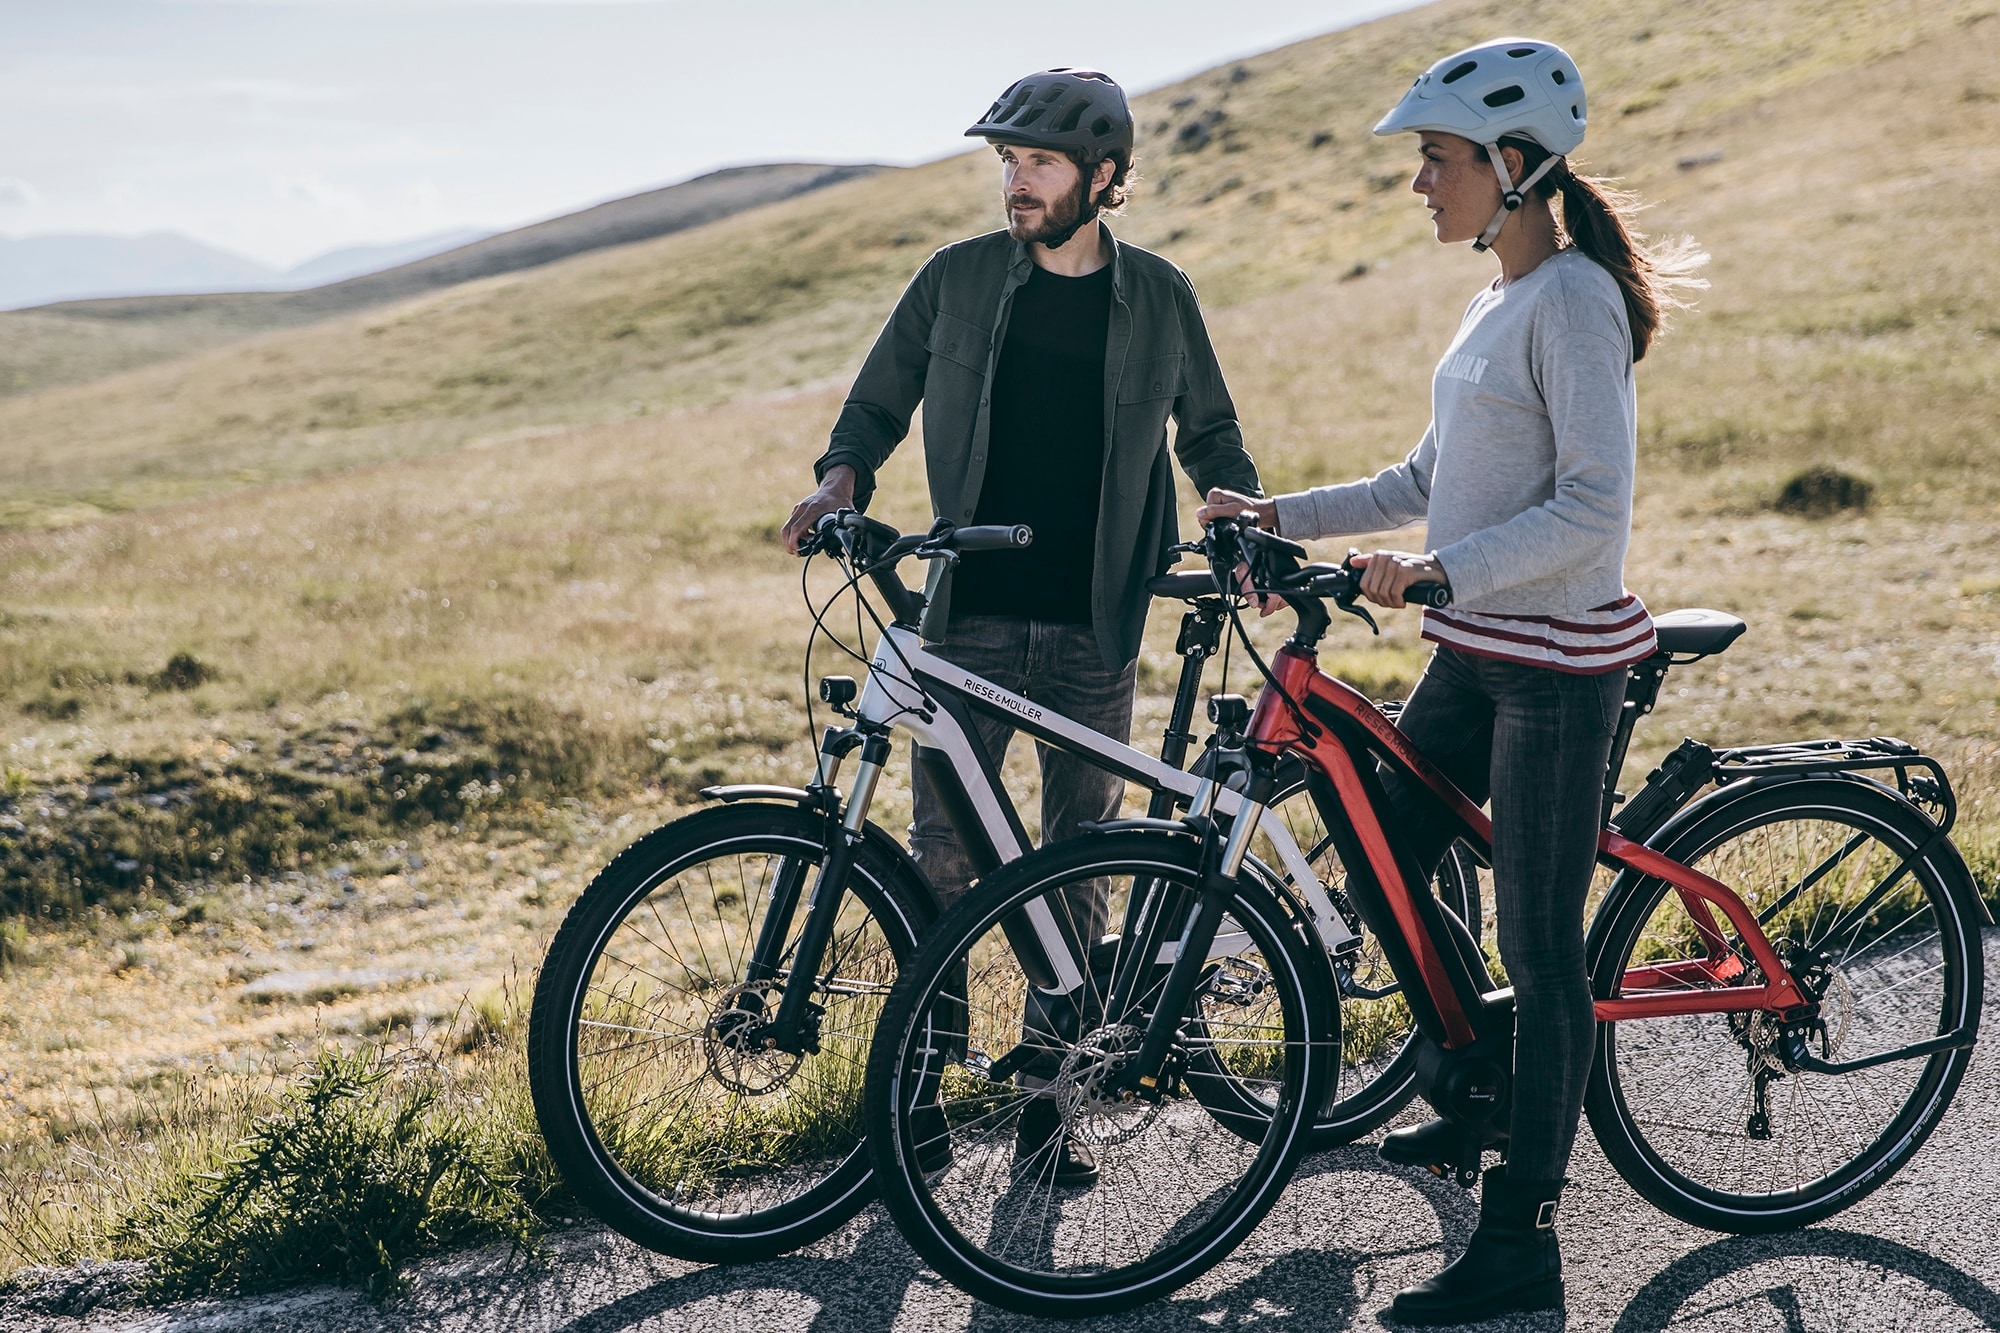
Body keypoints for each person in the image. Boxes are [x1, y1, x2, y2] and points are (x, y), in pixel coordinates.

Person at [1199, 37, 1705, 1325]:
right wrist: (1282, 511)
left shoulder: (1576, 301)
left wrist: (1433, 577)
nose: (1420, 183)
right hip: (1476, 651)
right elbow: (1421, 480)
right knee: (1391, 855)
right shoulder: (1496, 299)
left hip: (1550, 671)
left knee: (1540, 948)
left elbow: (1591, 517)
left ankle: (1523, 1234)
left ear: (1513, 164)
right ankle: (1476, 1081)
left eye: (1436, 161)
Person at [781, 67, 1263, 1183]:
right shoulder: (952, 282)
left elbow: (1213, 431)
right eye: (1006, 161)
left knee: (1074, 862)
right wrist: (841, 475)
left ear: (1102, 177)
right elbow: (875, 399)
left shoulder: (1160, 296)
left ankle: (1055, 1099)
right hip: (967, 619)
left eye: (1036, 162)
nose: (1014, 181)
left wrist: (1229, 503)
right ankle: (923, 1098)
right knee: (940, 863)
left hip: (1095, 625)